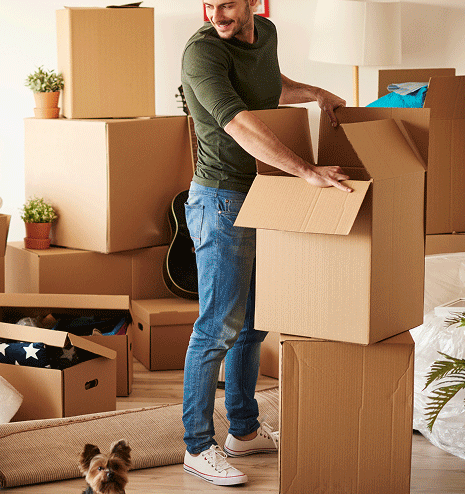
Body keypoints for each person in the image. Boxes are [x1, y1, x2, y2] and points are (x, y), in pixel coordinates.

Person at [179, 0, 351, 487]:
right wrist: (307, 171)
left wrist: (315, 92)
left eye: (227, 3)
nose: (216, 14)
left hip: (261, 193)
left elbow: (269, 88)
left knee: (253, 325)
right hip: (220, 201)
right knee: (217, 327)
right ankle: (197, 446)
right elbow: (239, 122)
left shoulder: (267, 33)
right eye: (209, 4)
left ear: (253, 2)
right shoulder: (202, 53)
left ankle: (244, 429)